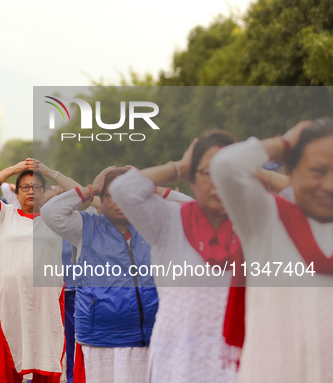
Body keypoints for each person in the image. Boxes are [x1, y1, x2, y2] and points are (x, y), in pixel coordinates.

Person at [109, 130, 290, 383]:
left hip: (243, 361)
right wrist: (180, 166)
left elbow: (302, 197)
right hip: (179, 363)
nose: (217, 182)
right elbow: (122, 189)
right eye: (208, 172)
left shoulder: (259, 221)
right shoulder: (168, 222)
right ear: (191, 180)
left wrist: (249, 170)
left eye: (224, 173)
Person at [210, 119, 333, 383]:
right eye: (318, 171)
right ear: (292, 171)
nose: (330, 185)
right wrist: (283, 144)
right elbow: (225, 165)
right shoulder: (266, 220)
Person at [41, 164, 184, 383]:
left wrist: (152, 188)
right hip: (102, 336)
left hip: (151, 333)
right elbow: (50, 212)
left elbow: (192, 209)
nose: (119, 203)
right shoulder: (85, 226)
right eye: (111, 196)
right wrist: (90, 189)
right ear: (103, 199)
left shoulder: (155, 226)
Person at [0, 159, 65, 383]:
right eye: (25, 187)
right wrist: (13, 170)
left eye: (37, 187)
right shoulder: (6, 214)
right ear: (16, 191)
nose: (31, 191)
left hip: (45, 304)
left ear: (44, 192)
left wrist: (50, 172)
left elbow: (82, 194)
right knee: (8, 362)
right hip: (9, 303)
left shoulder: (56, 219)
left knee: (46, 359)